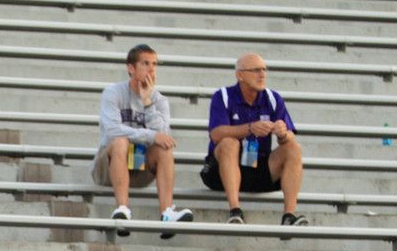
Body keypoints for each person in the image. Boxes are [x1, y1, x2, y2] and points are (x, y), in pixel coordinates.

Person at [91, 44, 192, 239]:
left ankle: (167, 214)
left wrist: (147, 103)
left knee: (164, 149)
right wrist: (151, 136)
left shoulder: (159, 100)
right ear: (131, 68)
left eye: (154, 64)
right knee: (120, 142)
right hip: (108, 167)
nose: (152, 69)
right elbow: (112, 130)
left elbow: (164, 135)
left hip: (140, 168)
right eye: (145, 63)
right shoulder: (113, 93)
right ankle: (122, 210)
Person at [201, 53, 307, 227]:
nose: (262, 74)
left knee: (294, 148)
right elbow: (216, 134)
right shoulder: (224, 96)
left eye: (264, 70)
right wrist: (249, 128)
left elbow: (289, 136)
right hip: (221, 172)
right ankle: (235, 211)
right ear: (240, 75)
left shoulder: (273, 99)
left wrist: (282, 132)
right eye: (256, 70)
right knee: (229, 142)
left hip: (258, 168)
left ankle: (289, 216)